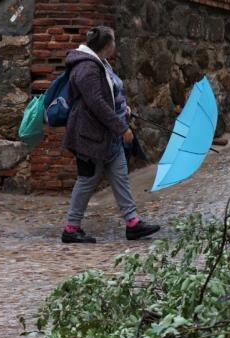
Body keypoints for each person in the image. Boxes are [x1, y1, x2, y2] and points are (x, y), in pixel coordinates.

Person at [61, 26, 160, 243]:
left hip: (106, 135)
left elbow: (107, 95)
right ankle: (71, 228)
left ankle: (132, 223)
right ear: (106, 45)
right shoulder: (87, 67)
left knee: (120, 175)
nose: (115, 45)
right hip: (90, 136)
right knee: (88, 180)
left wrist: (122, 107)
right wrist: (121, 127)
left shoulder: (101, 63)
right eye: (114, 41)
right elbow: (95, 103)